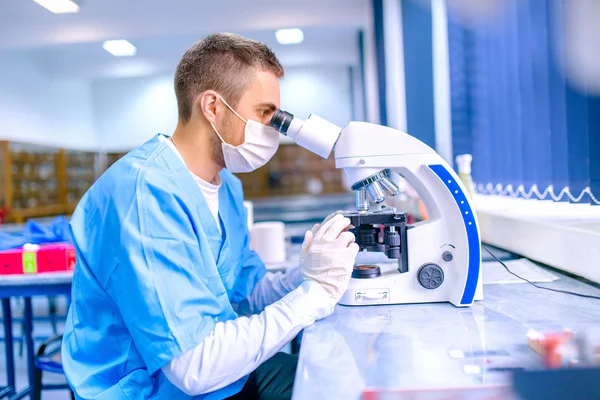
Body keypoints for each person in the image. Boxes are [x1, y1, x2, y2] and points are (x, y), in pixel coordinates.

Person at [61, 33, 359, 400]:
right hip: (151, 390)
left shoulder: (227, 188)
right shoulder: (144, 194)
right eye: (265, 113)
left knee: (331, 379)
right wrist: (315, 295)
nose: (272, 130)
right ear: (213, 107)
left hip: (219, 377)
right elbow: (193, 367)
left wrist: (312, 272)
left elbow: (247, 294)